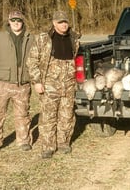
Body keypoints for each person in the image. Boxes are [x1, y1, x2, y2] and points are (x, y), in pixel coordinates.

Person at [27, 10, 80, 159]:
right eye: (60, 22)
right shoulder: (44, 39)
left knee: (67, 115)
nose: (63, 25)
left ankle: (63, 143)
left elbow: (76, 59)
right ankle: (48, 147)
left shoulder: (74, 38)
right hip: (50, 84)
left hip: (68, 84)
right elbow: (32, 61)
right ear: (54, 23)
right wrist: (37, 81)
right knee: (48, 116)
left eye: (65, 22)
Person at [0, 10, 33, 155]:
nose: (16, 23)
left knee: (22, 114)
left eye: (18, 20)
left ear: (22, 22)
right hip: (3, 83)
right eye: (13, 20)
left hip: (23, 84)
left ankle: (24, 141)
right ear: (9, 22)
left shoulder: (31, 38)